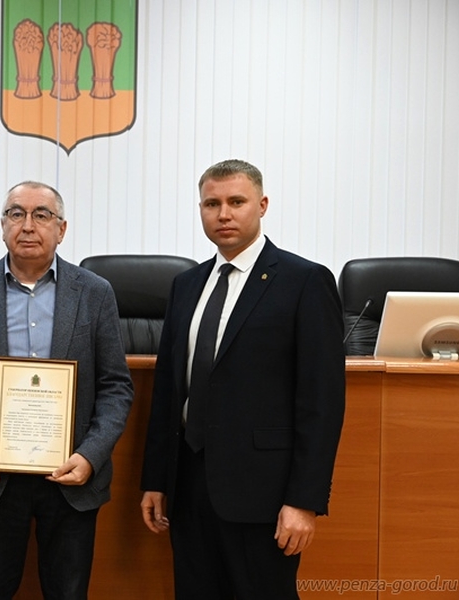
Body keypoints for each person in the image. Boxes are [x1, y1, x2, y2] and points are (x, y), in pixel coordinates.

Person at [140, 159, 345, 598]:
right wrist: (155, 479)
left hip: (264, 495)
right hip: (189, 487)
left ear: (262, 205)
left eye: (236, 202)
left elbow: (322, 402)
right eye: (211, 204)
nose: (224, 214)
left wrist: (304, 501)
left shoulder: (305, 281)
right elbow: (169, 391)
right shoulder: (186, 284)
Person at [0, 180, 134, 599]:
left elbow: (116, 386)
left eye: (41, 215)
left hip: (71, 476)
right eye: (16, 213)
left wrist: (91, 454)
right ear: (2, 225)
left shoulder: (95, 293)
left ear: (62, 229)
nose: (27, 225)